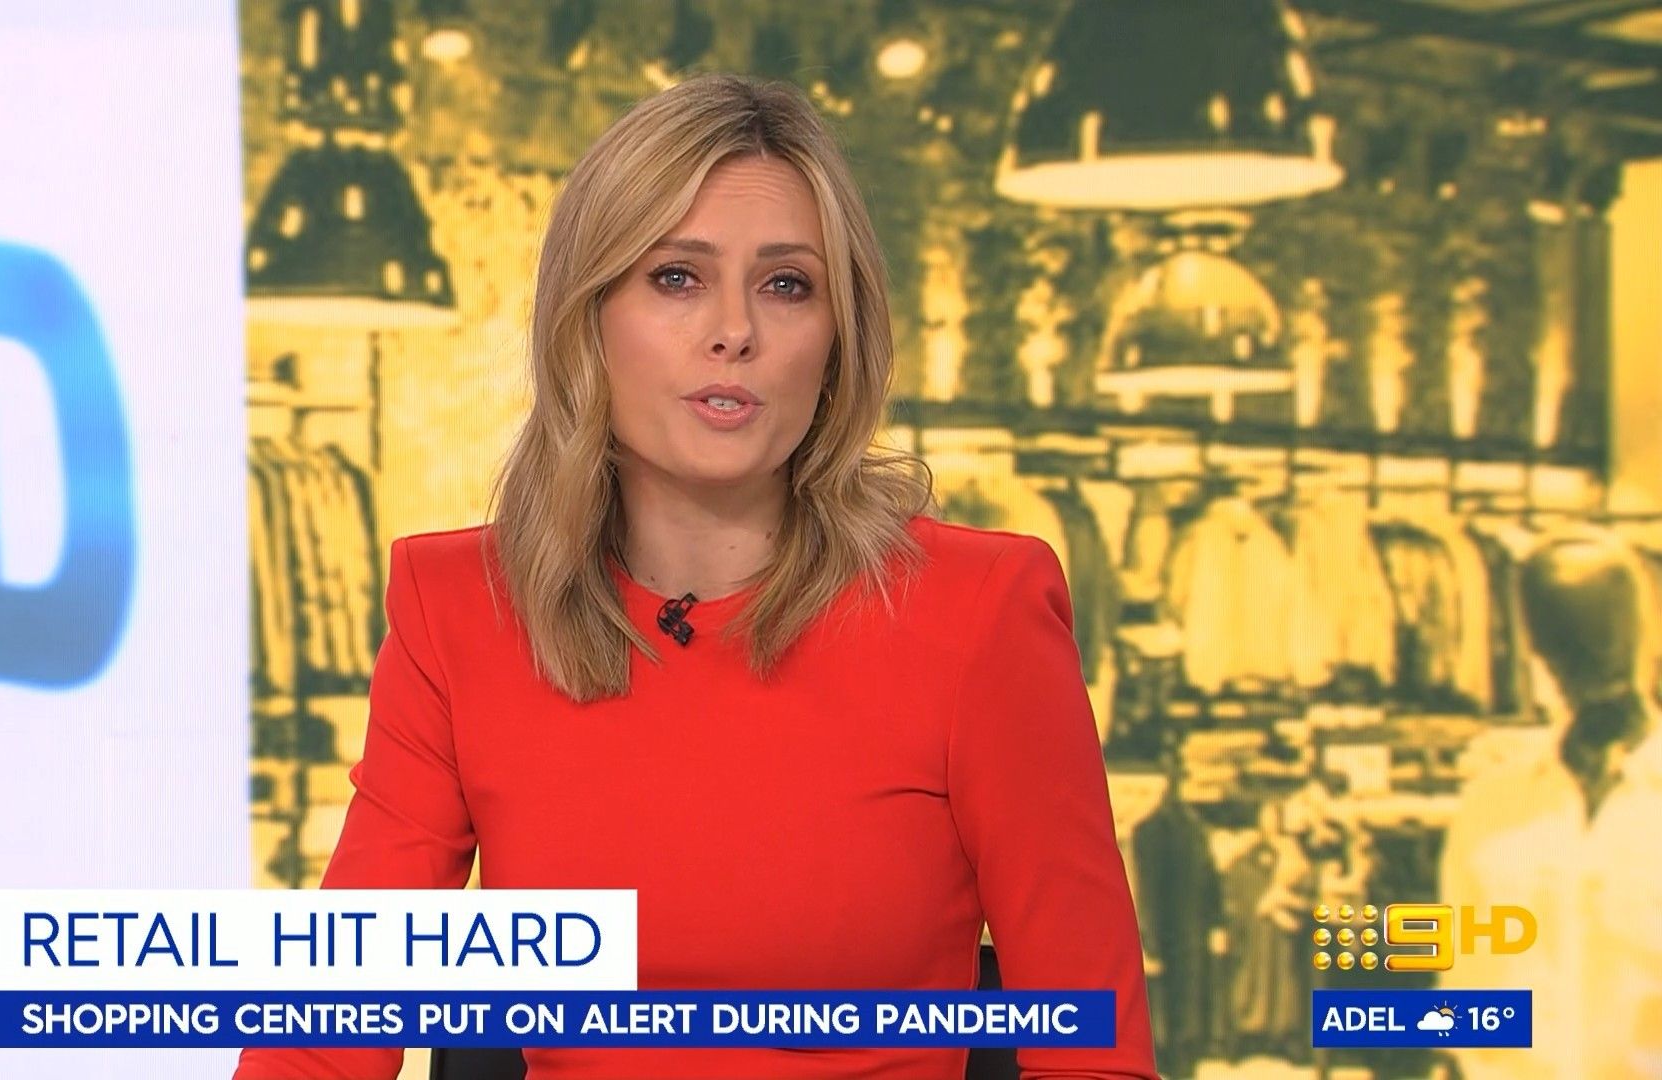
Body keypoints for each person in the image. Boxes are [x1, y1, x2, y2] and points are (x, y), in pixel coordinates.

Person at [234, 73, 1155, 1080]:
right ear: (587, 318)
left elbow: (1094, 1057)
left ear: (838, 337)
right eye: (677, 277)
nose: (734, 331)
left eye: (787, 284)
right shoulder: (459, 609)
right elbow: (319, 1041)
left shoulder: (979, 611)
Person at [1439, 532, 1662, 1079]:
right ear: (1536, 649)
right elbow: (1464, 986)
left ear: (1643, 633)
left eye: (1602, 627)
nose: (1588, 653)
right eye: (1564, 632)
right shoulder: (1492, 810)